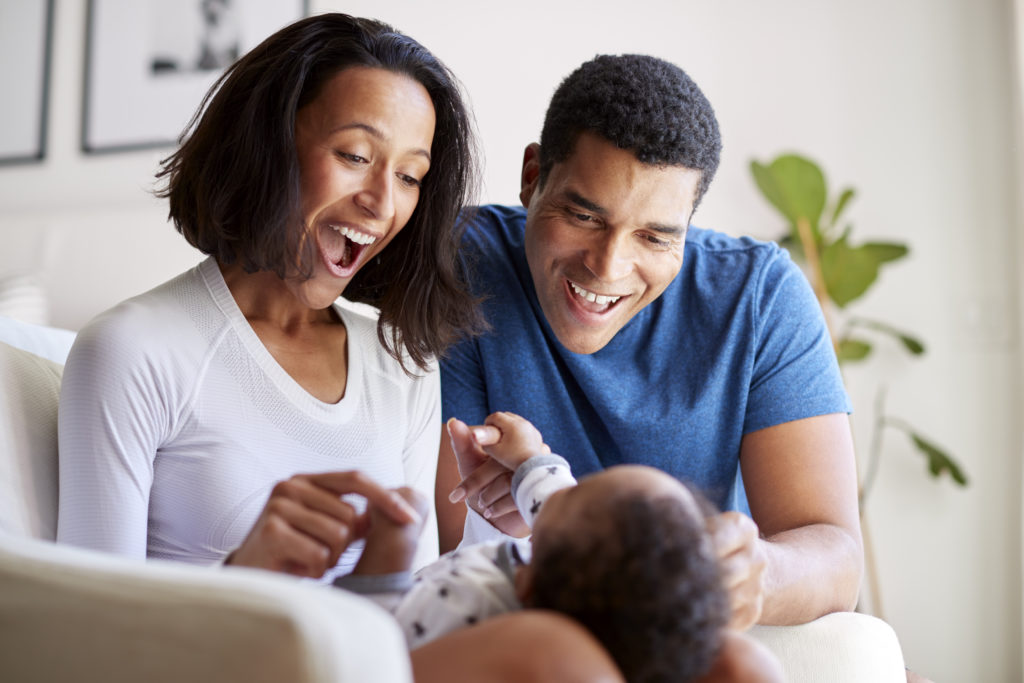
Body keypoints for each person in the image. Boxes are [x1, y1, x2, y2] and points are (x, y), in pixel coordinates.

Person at [57, 14, 630, 683]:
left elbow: (407, 606)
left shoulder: (400, 359)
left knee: (728, 657)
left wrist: (491, 526)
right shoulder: (132, 350)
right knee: (556, 659)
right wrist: (243, 577)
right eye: (356, 156)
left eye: (412, 176)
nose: (382, 202)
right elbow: (81, 646)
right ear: (268, 143)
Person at [436, 53, 864, 631]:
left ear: (688, 225)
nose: (608, 268)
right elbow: (446, 542)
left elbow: (835, 554)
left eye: (655, 237)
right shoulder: (458, 265)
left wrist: (755, 572)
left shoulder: (758, 296)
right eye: (584, 216)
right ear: (533, 177)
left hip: (694, 633)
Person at [337, 412, 784, 683]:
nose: (560, 488)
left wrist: (387, 547)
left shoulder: (474, 604)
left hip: (383, 633)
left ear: (528, 584)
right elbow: (555, 504)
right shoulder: (600, 578)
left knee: (399, 522)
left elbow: (371, 648)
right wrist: (531, 459)